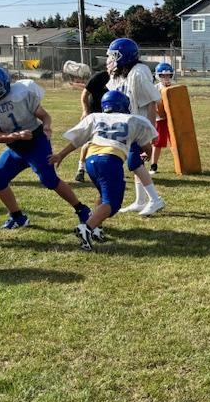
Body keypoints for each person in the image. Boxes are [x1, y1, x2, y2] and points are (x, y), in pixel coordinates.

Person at [0, 66, 91, 229]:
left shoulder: (22, 93)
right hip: (15, 148)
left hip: (36, 142)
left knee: (49, 180)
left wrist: (47, 126)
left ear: (3, 83)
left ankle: (82, 209)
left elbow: (44, 116)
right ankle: (18, 218)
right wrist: (16, 136)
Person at [49, 90, 158, 251]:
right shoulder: (132, 120)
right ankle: (87, 227)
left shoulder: (95, 117)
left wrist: (61, 155)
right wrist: (147, 154)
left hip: (91, 160)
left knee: (103, 194)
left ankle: (96, 228)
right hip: (110, 160)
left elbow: (78, 140)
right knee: (112, 203)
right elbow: (147, 145)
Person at [105, 38, 165, 216]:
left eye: (115, 56)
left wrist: (151, 130)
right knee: (136, 164)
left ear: (124, 55)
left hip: (139, 125)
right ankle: (140, 201)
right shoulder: (120, 73)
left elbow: (151, 102)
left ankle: (155, 199)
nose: (111, 59)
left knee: (134, 163)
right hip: (127, 125)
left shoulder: (139, 72)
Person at [74, 69, 110, 182]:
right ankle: (81, 169)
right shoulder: (100, 76)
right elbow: (85, 94)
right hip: (95, 112)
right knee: (89, 141)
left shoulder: (122, 78)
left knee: (109, 142)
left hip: (110, 115)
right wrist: (86, 111)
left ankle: (109, 168)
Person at [149, 62, 173, 175]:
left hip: (174, 119)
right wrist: (159, 112)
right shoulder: (156, 88)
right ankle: (153, 165)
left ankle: (181, 163)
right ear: (158, 76)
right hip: (161, 119)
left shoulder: (174, 87)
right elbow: (153, 105)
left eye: (168, 75)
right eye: (163, 75)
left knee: (176, 142)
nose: (166, 77)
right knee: (158, 143)